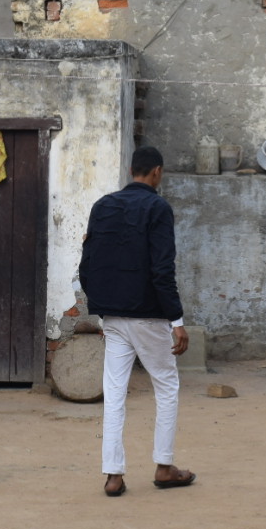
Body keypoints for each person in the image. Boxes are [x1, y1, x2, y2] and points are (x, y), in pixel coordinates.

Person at [78, 146, 194, 497]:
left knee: (114, 393)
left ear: (131, 170)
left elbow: (88, 258)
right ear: (157, 172)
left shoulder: (103, 206)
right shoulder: (158, 208)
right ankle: (164, 466)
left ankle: (113, 475)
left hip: (112, 314)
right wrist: (176, 319)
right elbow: (162, 268)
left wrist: (98, 301)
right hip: (147, 315)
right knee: (166, 385)